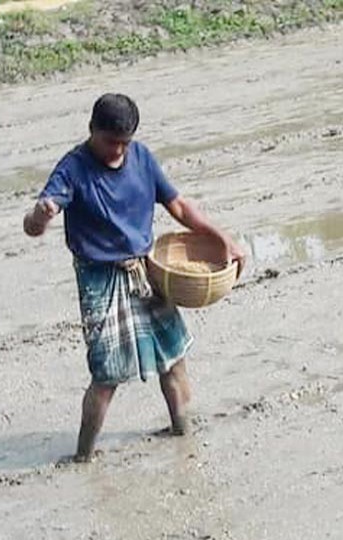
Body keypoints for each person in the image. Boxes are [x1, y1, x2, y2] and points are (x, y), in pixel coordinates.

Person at [23, 93, 245, 462]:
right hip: (100, 277)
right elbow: (32, 227)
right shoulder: (72, 169)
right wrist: (41, 217)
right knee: (107, 374)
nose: (118, 151)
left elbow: (177, 205)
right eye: (111, 142)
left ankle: (182, 430)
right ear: (92, 130)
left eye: (124, 142)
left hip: (145, 269)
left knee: (173, 356)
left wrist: (220, 237)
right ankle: (83, 456)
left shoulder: (141, 157)